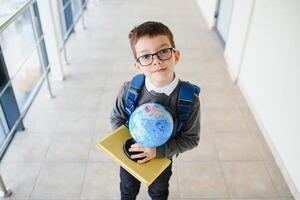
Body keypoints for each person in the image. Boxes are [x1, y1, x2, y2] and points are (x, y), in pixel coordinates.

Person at [110, 21, 201, 200]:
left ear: (176, 55)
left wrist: (157, 151)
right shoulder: (129, 90)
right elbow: (116, 118)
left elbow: (191, 139)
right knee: (127, 190)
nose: (156, 60)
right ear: (137, 65)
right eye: (145, 56)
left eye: (163, 51)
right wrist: (129, 143)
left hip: (162, 158)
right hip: (131, 152)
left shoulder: (189, 99)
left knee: (158, 192)